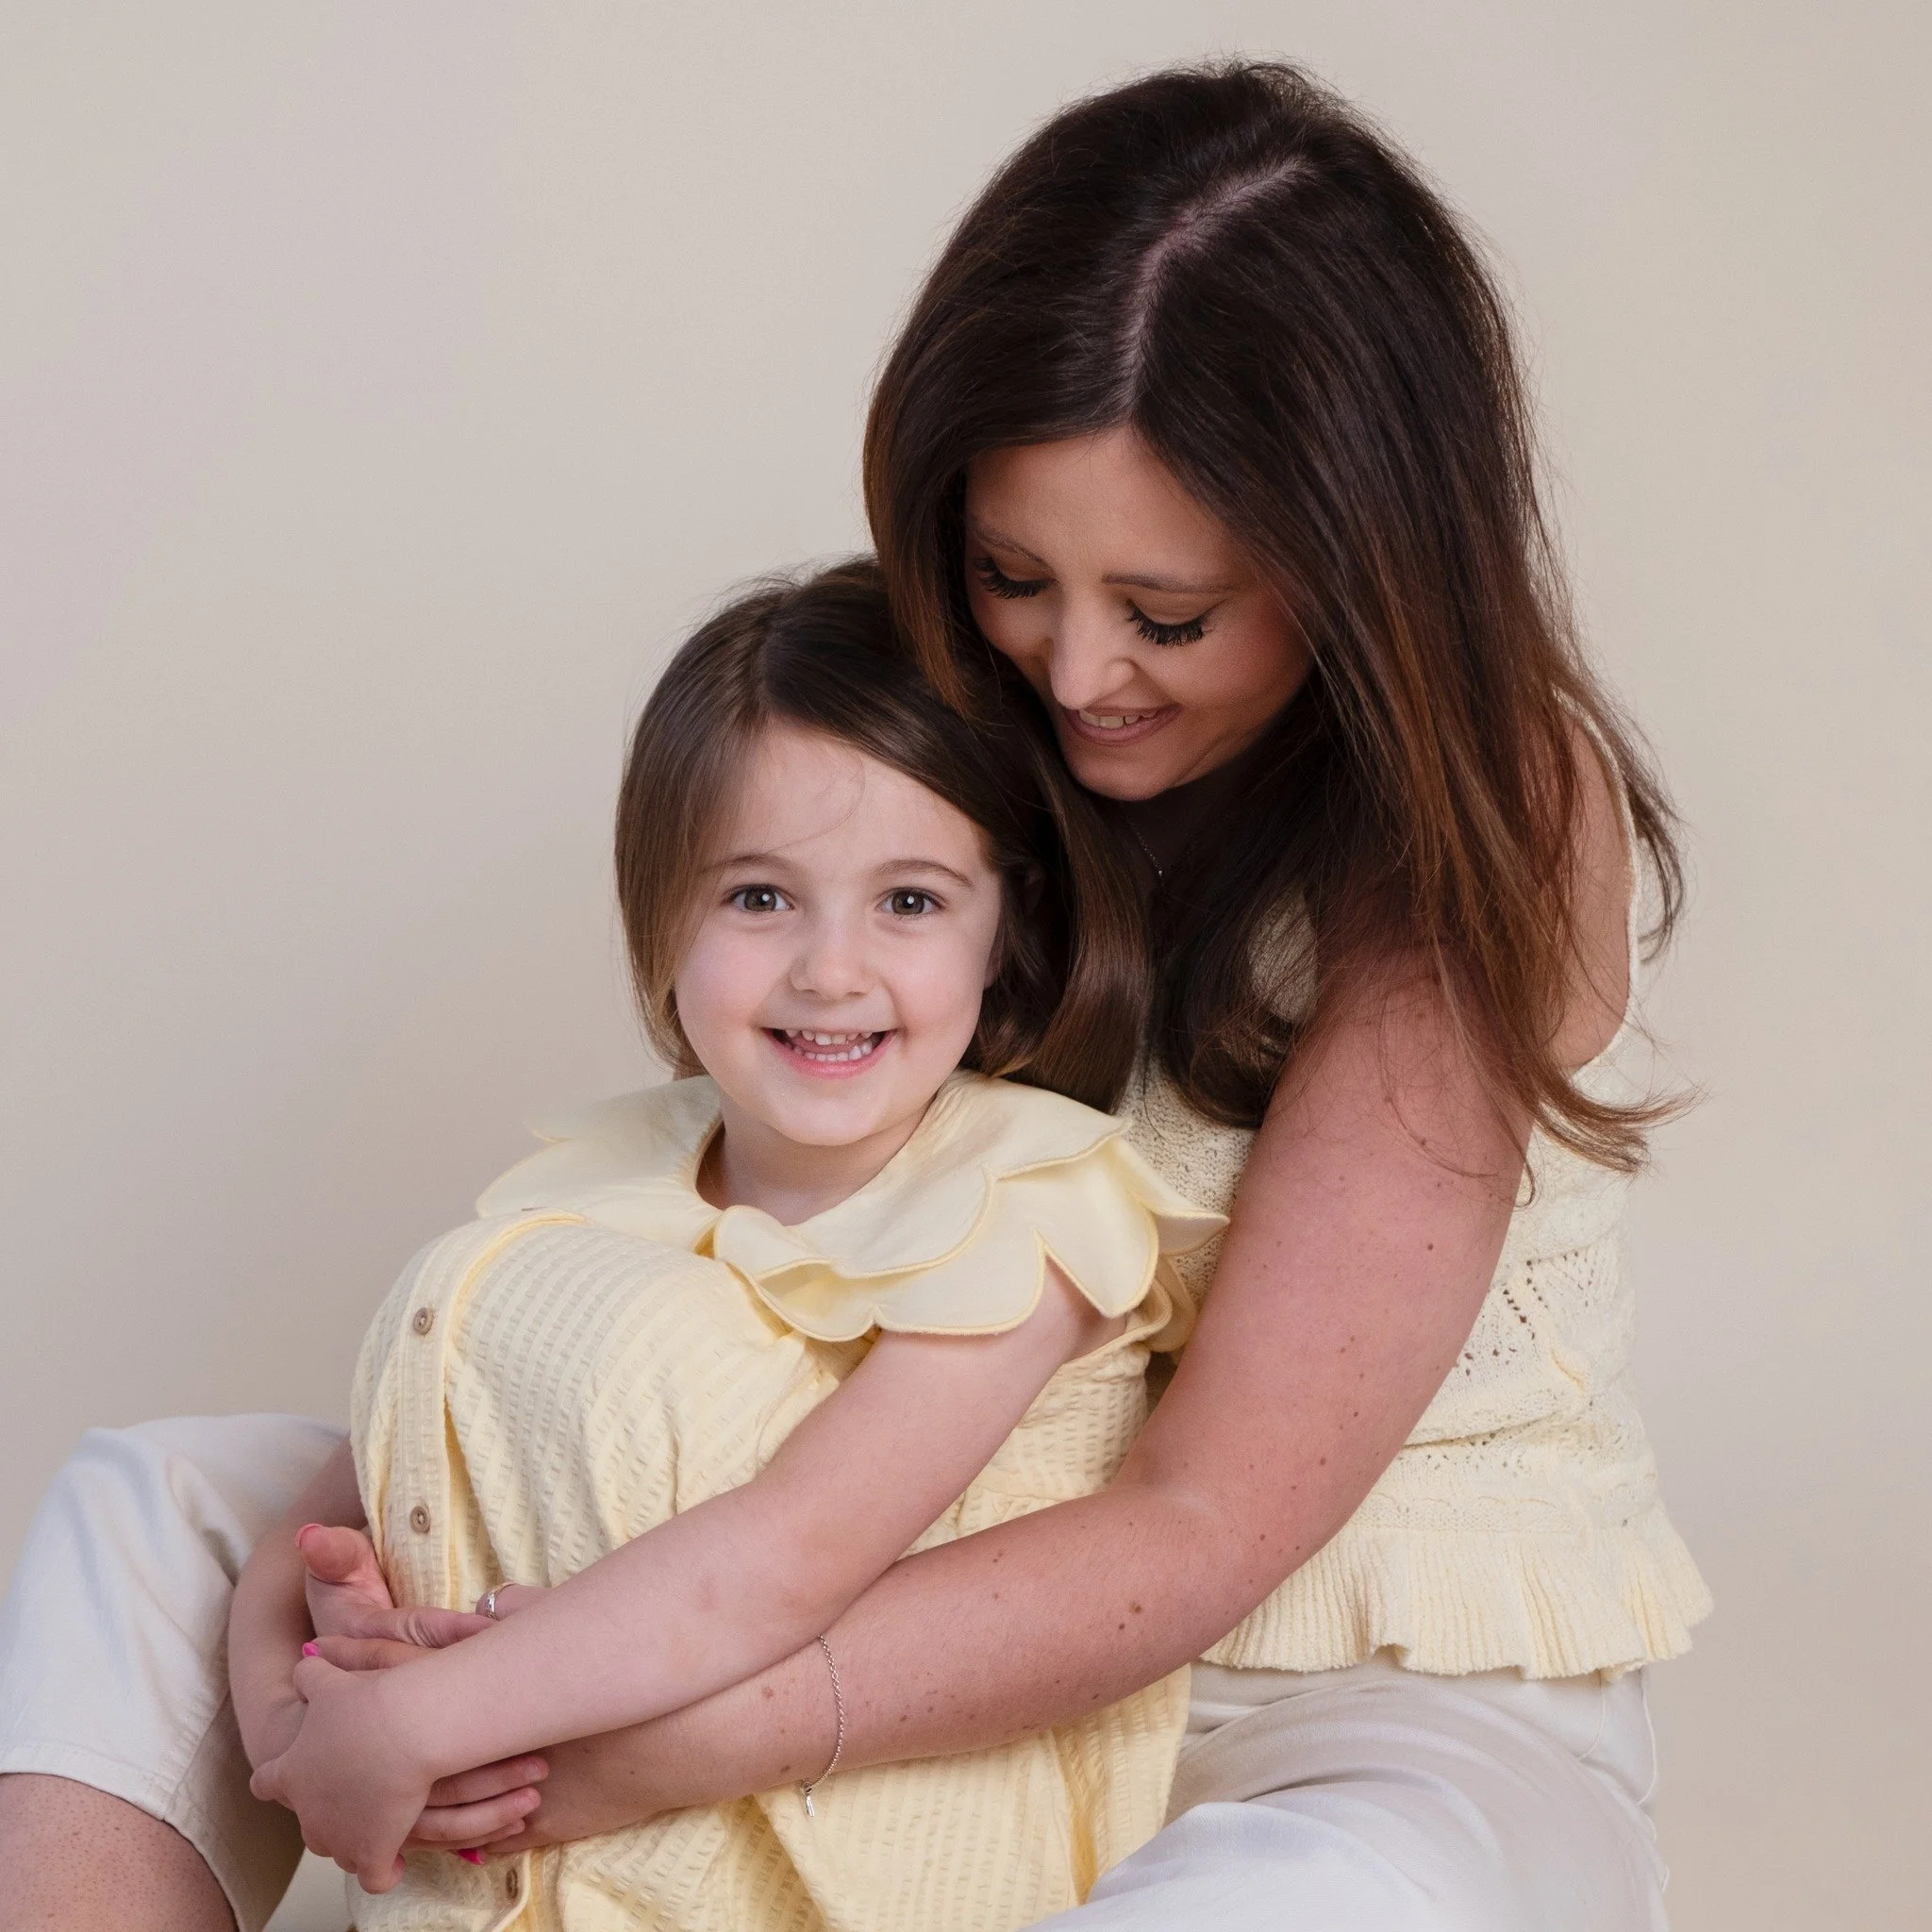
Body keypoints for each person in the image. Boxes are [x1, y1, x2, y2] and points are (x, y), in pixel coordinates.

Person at [0, 60, 1710, 1932]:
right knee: (158, 1509)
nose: (1076, 669)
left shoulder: (1494, 811)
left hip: (1330, 1711)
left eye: (1168, 612)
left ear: (1362, 568)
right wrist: (366, 1590)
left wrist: (615, 1729)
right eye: (1010, 574)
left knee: (1307, 1896)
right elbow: (763, 1264)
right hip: (873, 1538)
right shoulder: (970, 730)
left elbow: (1202, 1527)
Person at [229, 561, 1221, 1928]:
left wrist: (416, 1728)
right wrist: (293, 1703)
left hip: (853, 1881)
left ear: (1012, 927)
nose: (830, 968)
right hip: (522, 1889)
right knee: (135, 1510)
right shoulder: (600, 1179)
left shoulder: (1033, 1203)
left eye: (912, 902)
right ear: (662, 915)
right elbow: (347, 1486)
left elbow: (786, 1556)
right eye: (759, 897)